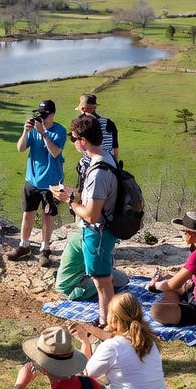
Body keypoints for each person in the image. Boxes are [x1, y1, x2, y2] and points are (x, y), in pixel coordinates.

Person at [72, 293, 169, 389]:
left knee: (89, 388)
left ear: (114, 319)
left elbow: (86, 375)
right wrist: (91, 330)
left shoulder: (113, 346)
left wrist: (85, 343)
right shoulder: (149, 340)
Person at [52, 112, 118, 326]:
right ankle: (107, 319)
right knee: (104, 280)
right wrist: (71, 194)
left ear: (83, 140)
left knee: (101, 282)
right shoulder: (108, 158)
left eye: (73, 139)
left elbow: (91, 214)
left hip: (97, 232)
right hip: (106, 229)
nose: (73, 143)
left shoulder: (97, 171)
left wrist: (67, 201)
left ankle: (104, 322)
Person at [8, 99, 66, 266]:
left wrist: (43, 133)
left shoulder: (59, 131)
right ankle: (24, 245)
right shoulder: (33, 130)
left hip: (52, 182)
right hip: (32, 180)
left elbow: (55, 153)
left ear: (52, 114)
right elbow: (20, 148)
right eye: (40, 114)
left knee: (47, 215)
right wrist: (25, 132)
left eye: (45, 114)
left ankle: (45, 249)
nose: (41, 118)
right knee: (28, 213)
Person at [74, 93, 119, 195]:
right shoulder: (109, 123)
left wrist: (75, 139)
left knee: (85, 198)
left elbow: (81, 148)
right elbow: (115, 149)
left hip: (89, 168)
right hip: (110, 165)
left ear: (84, 109)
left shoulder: (83, 125)